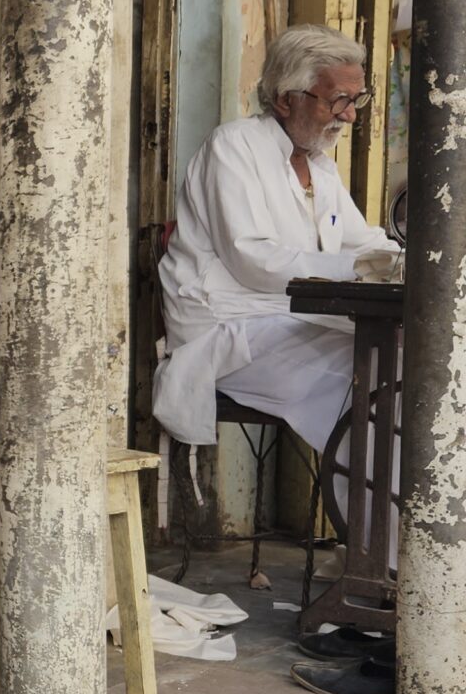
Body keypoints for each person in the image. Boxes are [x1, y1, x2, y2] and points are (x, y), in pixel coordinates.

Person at [154, 24, 399, 469]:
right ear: (287, 99)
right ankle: (377, 507)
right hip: (229, 332)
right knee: (373, 382)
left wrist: (417, 266)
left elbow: (364, 242)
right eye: (338, 100)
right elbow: (253, 260)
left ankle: (398, 506)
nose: (350, 116)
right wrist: (362, 268)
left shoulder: (320, 167)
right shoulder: (233, 146)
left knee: (407, 361)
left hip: (291, 321)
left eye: (356, 100)